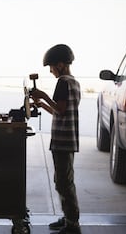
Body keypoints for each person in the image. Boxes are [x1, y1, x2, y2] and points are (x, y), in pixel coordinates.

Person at [30, 44, 81, 234]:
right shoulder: (74, 82)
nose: (51, 71)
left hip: (63, 141)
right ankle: (68, 217)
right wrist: (42, 104)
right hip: (68, 139)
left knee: (63, 182)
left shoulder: (63, 82)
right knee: (63, 179)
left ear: (60, 64)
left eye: (51, 67)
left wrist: (42, 94)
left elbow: (59, 109)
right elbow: (60, 112)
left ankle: (72, 224)